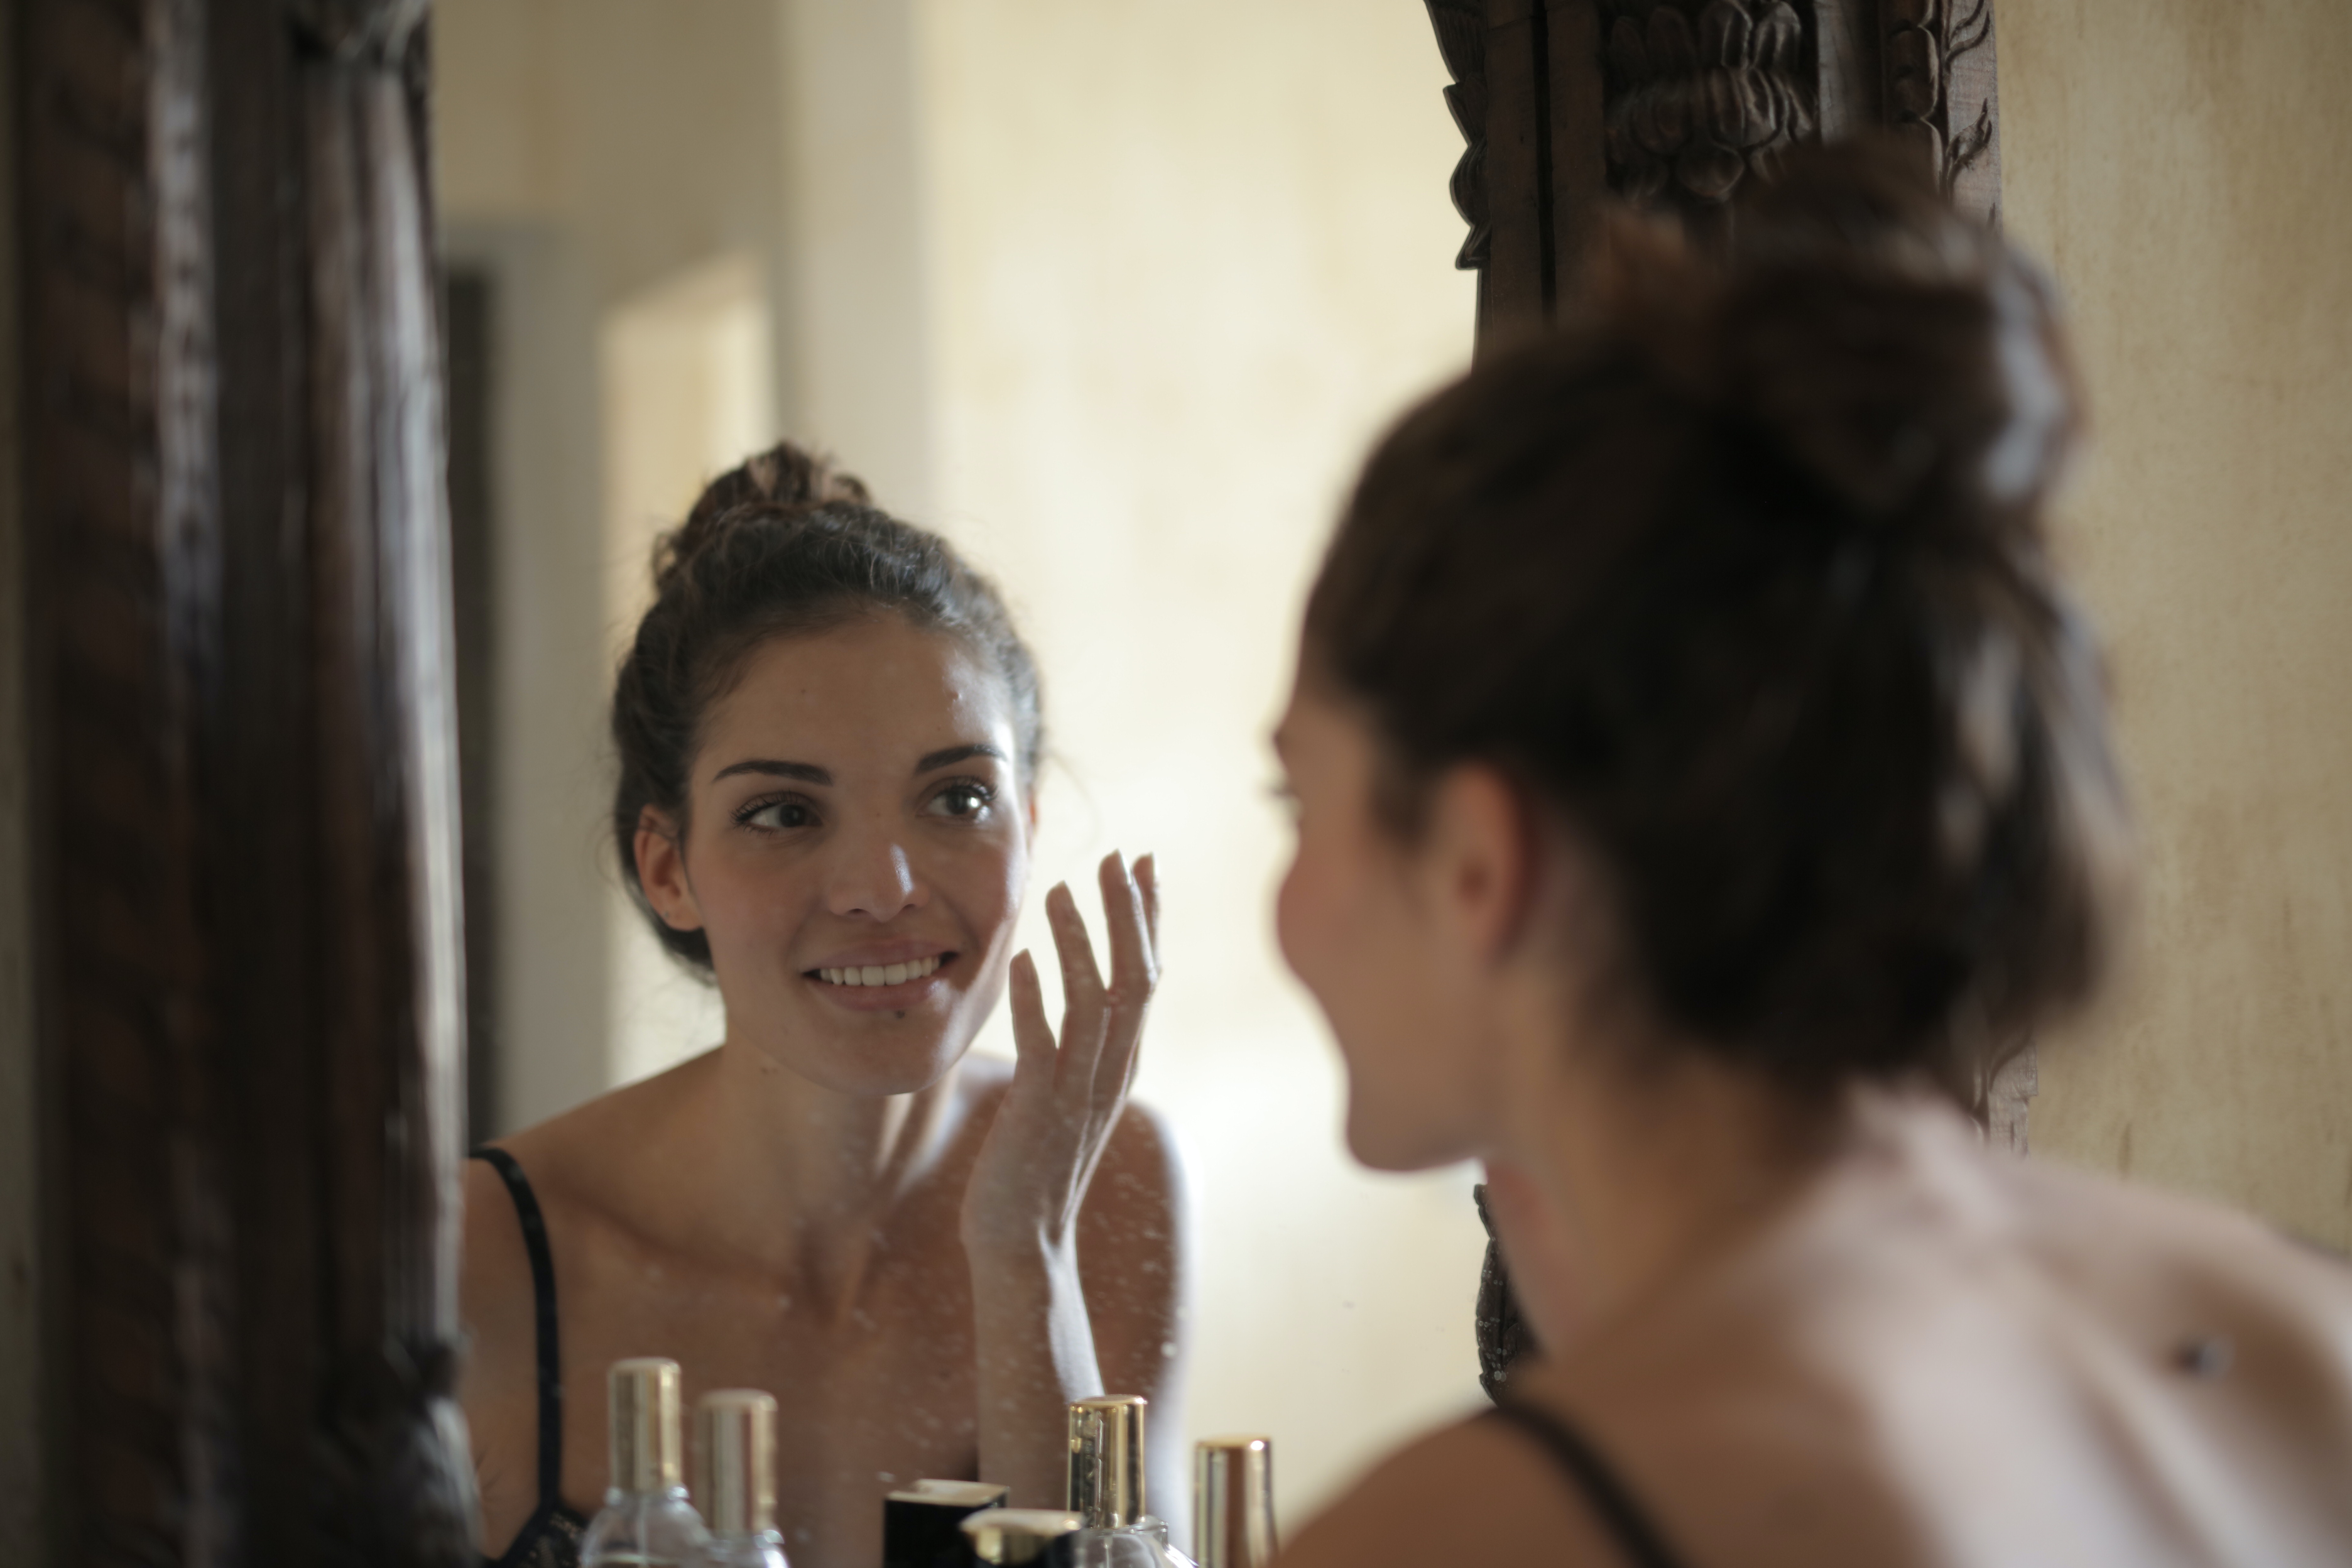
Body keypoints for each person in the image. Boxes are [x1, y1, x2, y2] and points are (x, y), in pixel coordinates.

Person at [1271, 146, 2352, 1568]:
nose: (1284, 909)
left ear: (1477, 858)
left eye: (1297, 801)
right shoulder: (2300, 1327)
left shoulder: (1483, 1534)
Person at [458, 447, 1184, 1568]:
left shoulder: (1111, 1181)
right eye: (785, 813)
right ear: (667, 867)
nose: (884, 888)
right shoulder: (486, 1247)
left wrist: (1026, 1245)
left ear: (1028, 827)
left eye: (957, 796)